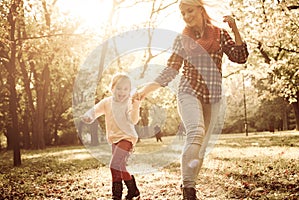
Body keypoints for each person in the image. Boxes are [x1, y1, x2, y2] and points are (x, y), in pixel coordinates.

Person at [133, 0, 249, 199]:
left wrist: (235, 28)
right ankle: (188, 190)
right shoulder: (182, 39)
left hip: (212, 96)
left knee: (201, 147)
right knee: (195, 132)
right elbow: (171, 70)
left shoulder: (220, 34)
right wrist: (145, 90)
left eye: (189, 11)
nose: (186, 16)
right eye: (183, 13)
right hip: (189, 90)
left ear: (200, 9)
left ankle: (189, 183)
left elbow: (240, 57)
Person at [81, 73, 141, 200]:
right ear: (112, 88)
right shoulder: (107, 102)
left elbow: (134, 120)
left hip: (127, 138)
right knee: (121, 166)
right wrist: (88, 116)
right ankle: (133, 190)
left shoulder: (130, 102)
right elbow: (95, 110)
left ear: (129, 90)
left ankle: (116, 195)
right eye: (118, 88)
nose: (122, 92)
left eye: (126, 89)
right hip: (114, 139)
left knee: (114, 164)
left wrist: (136, 106)